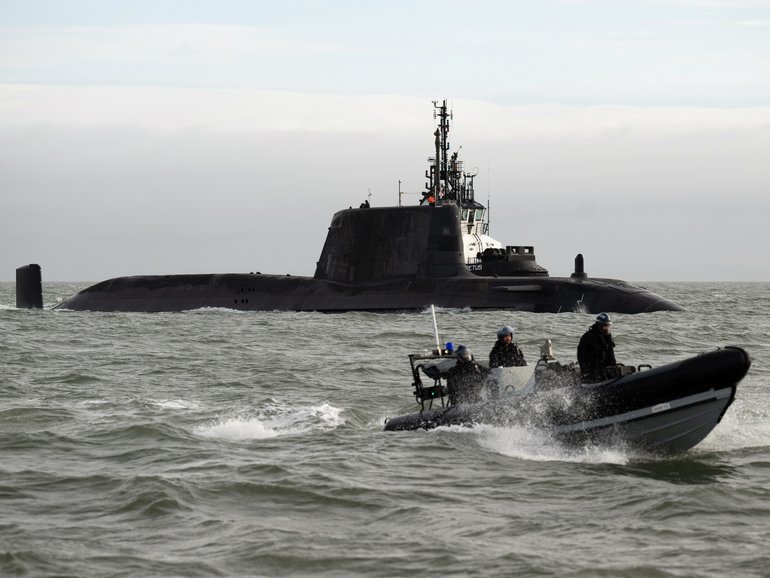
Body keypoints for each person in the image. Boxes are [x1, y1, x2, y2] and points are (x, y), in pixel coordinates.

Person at [577, 312, 617, 381]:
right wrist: (586, 372)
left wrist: (614, 369)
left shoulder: (607, 338)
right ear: (599, 326)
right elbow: (581, 356)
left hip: (605, 371)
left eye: (608, 326)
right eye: (605, 326)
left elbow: (611, 356)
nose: (607, 329)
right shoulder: (588, 338)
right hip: (593, 373)